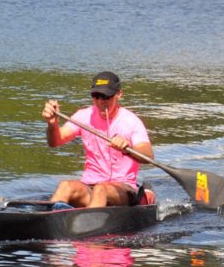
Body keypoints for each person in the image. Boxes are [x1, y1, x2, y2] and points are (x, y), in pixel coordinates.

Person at [41, 71, 154, 209]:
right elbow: (55, 141)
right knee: (66, 186)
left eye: (106, 96)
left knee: (102, 189)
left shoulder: (131, 121)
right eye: (96, 96)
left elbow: (147, 155)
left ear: (119, 94)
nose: (101, 101)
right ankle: (46, 220)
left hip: (123, 189)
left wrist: (127, 148)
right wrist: (52, 124)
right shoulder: (83, 116)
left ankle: (87, 224)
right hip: (90, 186)